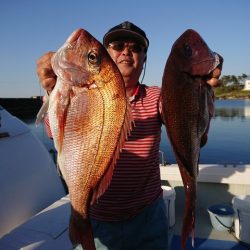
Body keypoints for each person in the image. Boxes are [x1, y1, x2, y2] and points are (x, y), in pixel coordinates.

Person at [36, 21, 221, 250]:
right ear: (107, 54)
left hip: (149, 216)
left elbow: (189, 129)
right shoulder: (76, 92)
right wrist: (52, 91)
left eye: (136, 48)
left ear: (144, 59)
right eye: (117, 45)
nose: (126, 51)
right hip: (98, 219)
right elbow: (55, 133)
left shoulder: (156, 98)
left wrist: (199, 91)